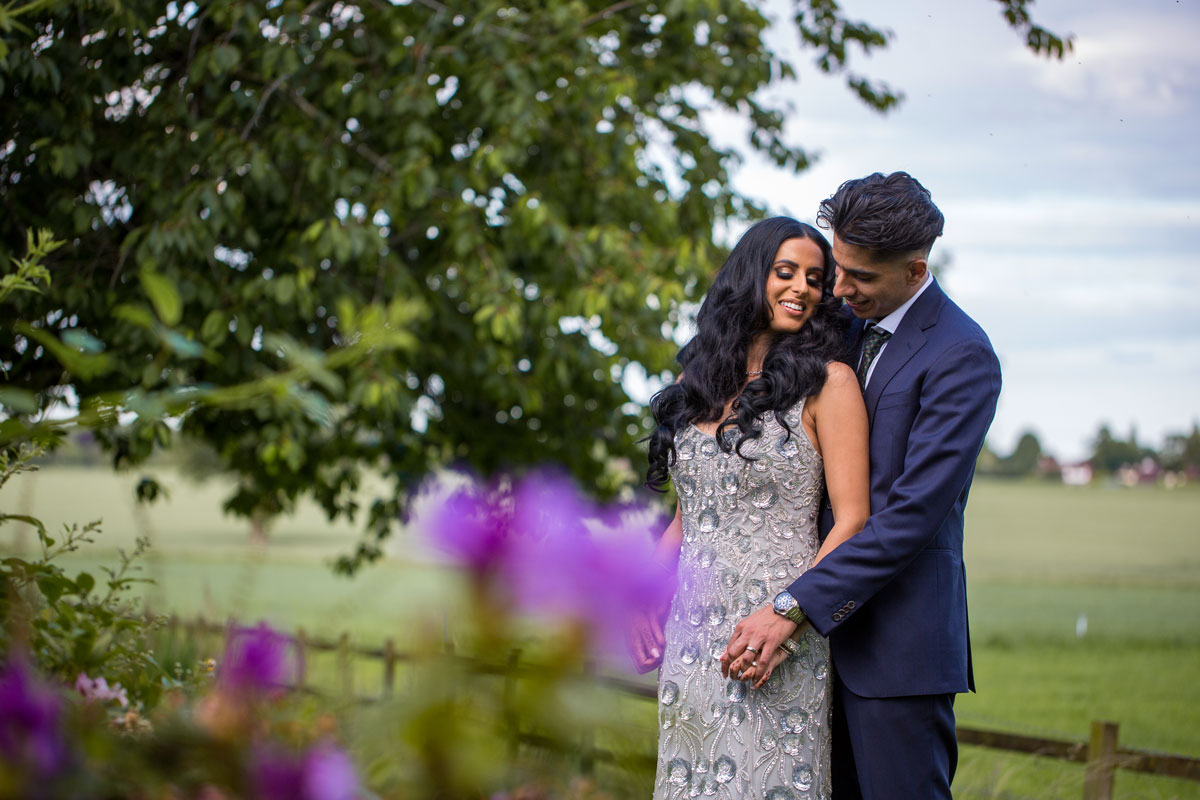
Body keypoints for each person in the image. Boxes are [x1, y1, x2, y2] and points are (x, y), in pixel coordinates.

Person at [721, 172, 1003, 799]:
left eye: (861, 278)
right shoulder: (838, 325)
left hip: (894, 653)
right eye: (837, 268)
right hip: (798, 653)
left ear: (915, 268)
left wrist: (791, 606)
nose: (839, 289)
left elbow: (908, 518)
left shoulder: (962, 356)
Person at [629, 217, 870, 799]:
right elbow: (691, 513)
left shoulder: (829, 384)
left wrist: (789, 616)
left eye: (816, 278)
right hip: (691, 632)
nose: (803, 288)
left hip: (774, 629)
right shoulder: (697, 381)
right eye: (786, 272)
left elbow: (854, 518)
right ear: (749, 276)